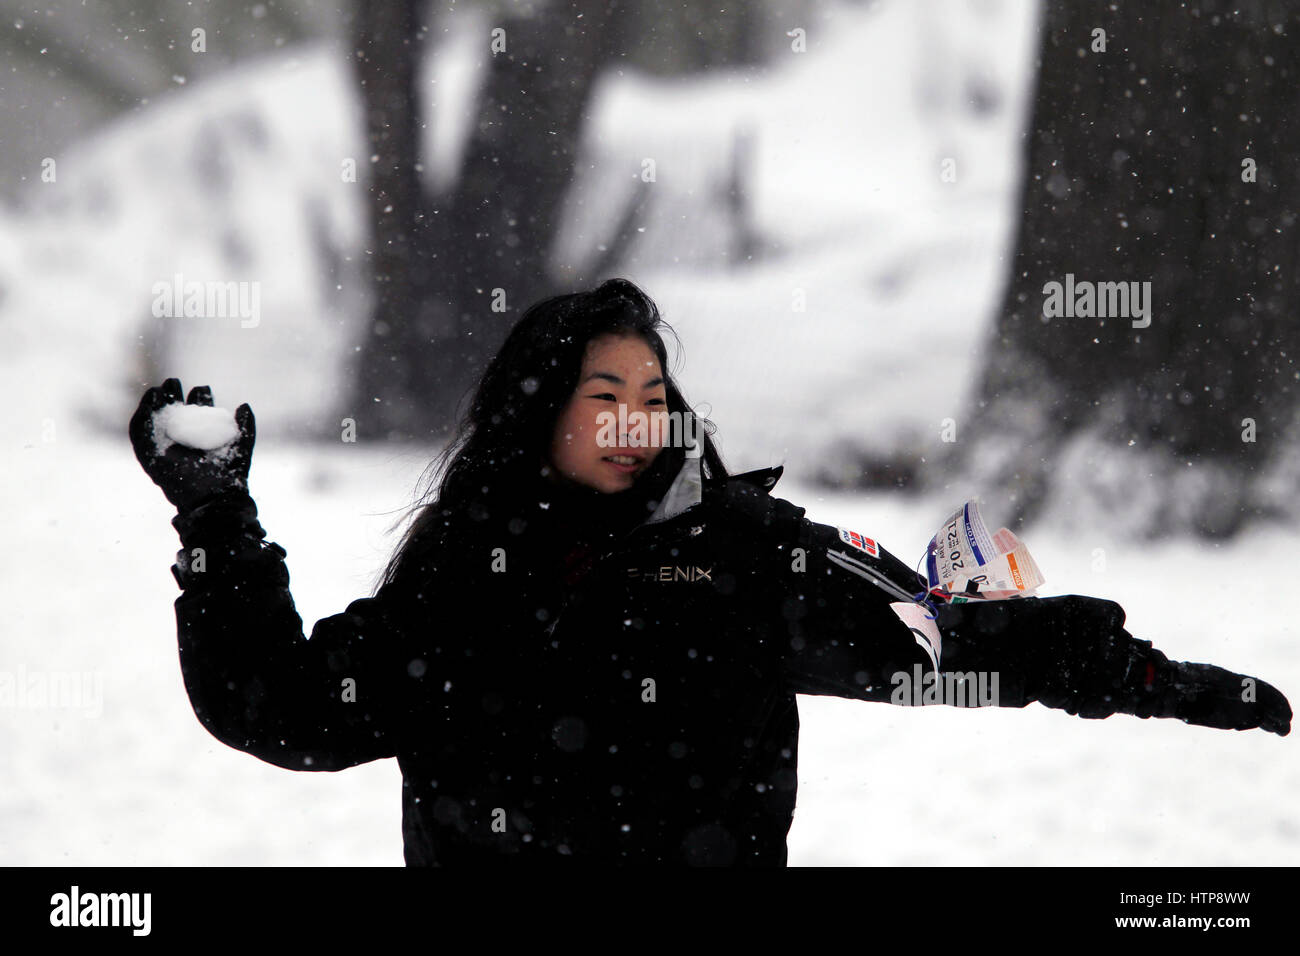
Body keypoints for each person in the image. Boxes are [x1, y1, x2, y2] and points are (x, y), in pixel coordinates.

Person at [130, 277, 1292, 866]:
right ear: (542, 417)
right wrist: (220, 524)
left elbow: (948, 640)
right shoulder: (460, 585)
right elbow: (281, 707)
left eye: (653, 395)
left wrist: (1149, 675)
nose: (638, 419)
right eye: (605, 398)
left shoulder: (749, 558)